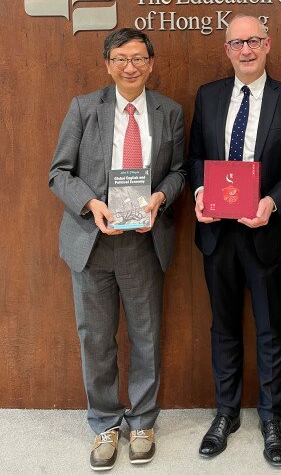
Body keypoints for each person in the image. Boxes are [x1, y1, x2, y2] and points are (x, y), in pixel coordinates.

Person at [49, 28, 185, 471]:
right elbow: (59, 173)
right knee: (96, 337)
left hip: (143, 243)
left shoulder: (170, 111)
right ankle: (105, 422)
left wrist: (161, 198)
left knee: (146, 335)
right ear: (108, 64)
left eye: (139, 58)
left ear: (151, 62)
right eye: (121, 59)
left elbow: (180, 172)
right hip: (92, 241)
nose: (131, 67)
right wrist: (92, 204)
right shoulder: (84, 108)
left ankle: (143, 421)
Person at [188, 14, 281, 466]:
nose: (245, 50)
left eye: (254, 41)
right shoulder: (208, 95)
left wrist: (272, 203)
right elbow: (196, 159)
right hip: (217, 234)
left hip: (265, 234)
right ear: (226, 49)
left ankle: (270, 416)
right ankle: (226, 412)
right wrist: (201, 190)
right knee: (223, 325)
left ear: (267, 44)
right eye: (237, 43)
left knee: (269, 328)